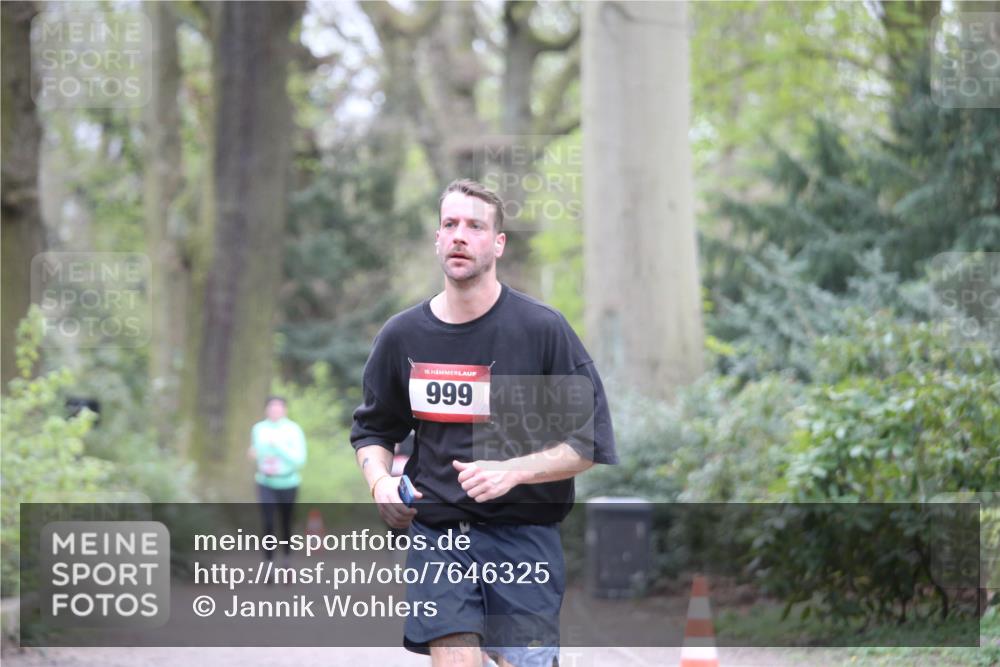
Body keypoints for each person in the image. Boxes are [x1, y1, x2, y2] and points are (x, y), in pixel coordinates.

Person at [351, 179, 617, 667]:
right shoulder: (402, 336)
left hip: (524, 537)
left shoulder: (542, 330)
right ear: (436, 239)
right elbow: (373, 430)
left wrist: (514, 471)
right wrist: (380, 483)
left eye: (475, 226)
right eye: (450, 224)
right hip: (439, 535)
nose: (459, 235)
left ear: (497, 244)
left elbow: (587, 442)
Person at [248, 396, 307, 564]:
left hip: (288, 482)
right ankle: (268, 563)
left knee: (286, 522)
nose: (275, 411)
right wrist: (254, 453)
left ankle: (287, 559)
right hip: (265, 481)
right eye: (271, 407)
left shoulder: (293, 430)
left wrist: (278, 446)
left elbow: (299, 460)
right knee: (267, 523)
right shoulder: (258, 429)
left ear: (284, 410)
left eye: (278, 407)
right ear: (266, 410)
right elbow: (257, 451)